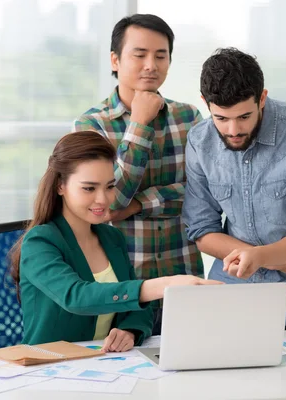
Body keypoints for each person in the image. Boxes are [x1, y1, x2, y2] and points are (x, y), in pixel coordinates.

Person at [10, 131, 221, 352]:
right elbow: (76, 297)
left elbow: (138, 308)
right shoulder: (40, 242)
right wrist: (164, 285)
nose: (103, 199)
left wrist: (129, 330)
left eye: (109, 186)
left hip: (106, 366)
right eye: (89, 188)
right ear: (60, 186)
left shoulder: (111, 237)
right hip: (50, 367)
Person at [183, 47, 286, 329]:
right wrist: (271, 261)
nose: (233, 130)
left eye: (244, 117)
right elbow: (202, 231)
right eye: (221, 118)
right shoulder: (199, 141)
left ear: (262, 98)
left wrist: (259, 258)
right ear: (205, 103)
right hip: (233, 294)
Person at [73, 14, 204, 335]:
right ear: (115, 60)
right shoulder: (92, 126)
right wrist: (140, 124)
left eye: (161, 55)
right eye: (140, 54)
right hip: (125, 281)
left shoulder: (189, 118)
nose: (151, 65)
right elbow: (109, 201)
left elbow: (204, 194)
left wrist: (138, 205)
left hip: (183, 273)